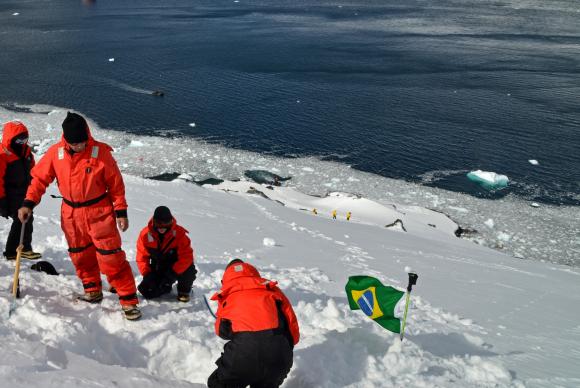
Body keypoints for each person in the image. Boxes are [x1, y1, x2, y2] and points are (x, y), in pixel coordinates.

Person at [18, 112, 141, 320]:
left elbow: (116, 186)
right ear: (66, 140)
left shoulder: (100, 153)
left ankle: (128, 300)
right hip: (71, 214)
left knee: (110, 257)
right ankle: (92, 290)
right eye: (75, 144)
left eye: (82, 142)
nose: (79, 147)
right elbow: (39, 180)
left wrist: (121, 212)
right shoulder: (56, 154)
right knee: (80, 255)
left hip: (99, 211)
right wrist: (28, 203)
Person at [208, 259, 300, 388]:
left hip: (242, 359)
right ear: (253, 274)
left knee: (217, 383)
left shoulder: (227, 295)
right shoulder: (272, 290)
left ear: (226, 279)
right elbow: (292, 324)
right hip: (279, 359)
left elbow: (222, 331)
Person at [136, 206, 197, 302]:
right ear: (153, 221)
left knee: (188, 270)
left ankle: (184, 290)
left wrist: (172, 275)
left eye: (166, 223)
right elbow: (142, 258)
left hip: (175, 267)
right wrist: (147, 274)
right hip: (158, 266)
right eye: (159, 223)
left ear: (171, 221)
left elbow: (186, 257)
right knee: (147, 291)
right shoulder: (145, 234)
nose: (162, 226)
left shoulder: (179, 234)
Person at [1, 121, 41, 260]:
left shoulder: (27, 152)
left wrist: (33, 190)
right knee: (22, 219)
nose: (22, 142)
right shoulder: (3, 154)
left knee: (26, 219)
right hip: (9, 194)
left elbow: (34, 172)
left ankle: (18, 249)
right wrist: (2, 201)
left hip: (24, 193)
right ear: (10, 138)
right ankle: (15, 250)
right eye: (19, 139)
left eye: (25, 139)